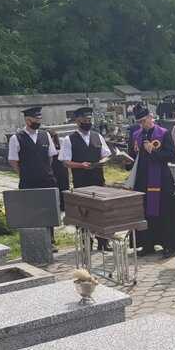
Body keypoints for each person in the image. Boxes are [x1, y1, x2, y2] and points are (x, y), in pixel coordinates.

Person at [127, 104, 175, 257]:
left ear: (150, 117)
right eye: (139, 122)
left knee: (164, 212)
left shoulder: (163, 133)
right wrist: (126, 161)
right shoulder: (135, 135)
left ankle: (169, 245)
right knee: (145, 213)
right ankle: (147, 244)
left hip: (160, 179)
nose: (141, 125)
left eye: (143, 121)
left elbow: (171, 155)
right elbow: (132, 156)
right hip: (142, 180)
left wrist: (153, 151)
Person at [59, 106, 112, 251]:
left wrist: (103, 161)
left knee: (101, 211)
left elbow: (106, 154)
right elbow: (65, 162)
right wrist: (81, 165)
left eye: (89, 120)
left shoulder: (97, 136)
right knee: (83, 213)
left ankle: (103, 241)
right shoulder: (69, 139)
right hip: (81, 181)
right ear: (78, 121)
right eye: (85, 120)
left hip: (98, 180)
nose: (88, 122)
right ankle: (86, 242)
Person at [8, 106, 59, 251]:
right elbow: (13, 160)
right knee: (31, 211)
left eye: (39, 119)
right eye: (35, 119)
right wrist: (24, 173)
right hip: (28, 181)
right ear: (27, 120)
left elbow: (50, 157)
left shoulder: (45, 135)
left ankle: (50, 240)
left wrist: (44, 170)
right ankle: (34, 242)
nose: (38, 122)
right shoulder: (17, 138)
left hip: (46, 179)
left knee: (48, 210)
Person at [48, 129, 69, 211]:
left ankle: (64, 205)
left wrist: (56, 151)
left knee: (64, 185)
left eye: (52, 137)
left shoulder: (61, 141)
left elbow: (66, 151)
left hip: (61, 166)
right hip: (52, 166)